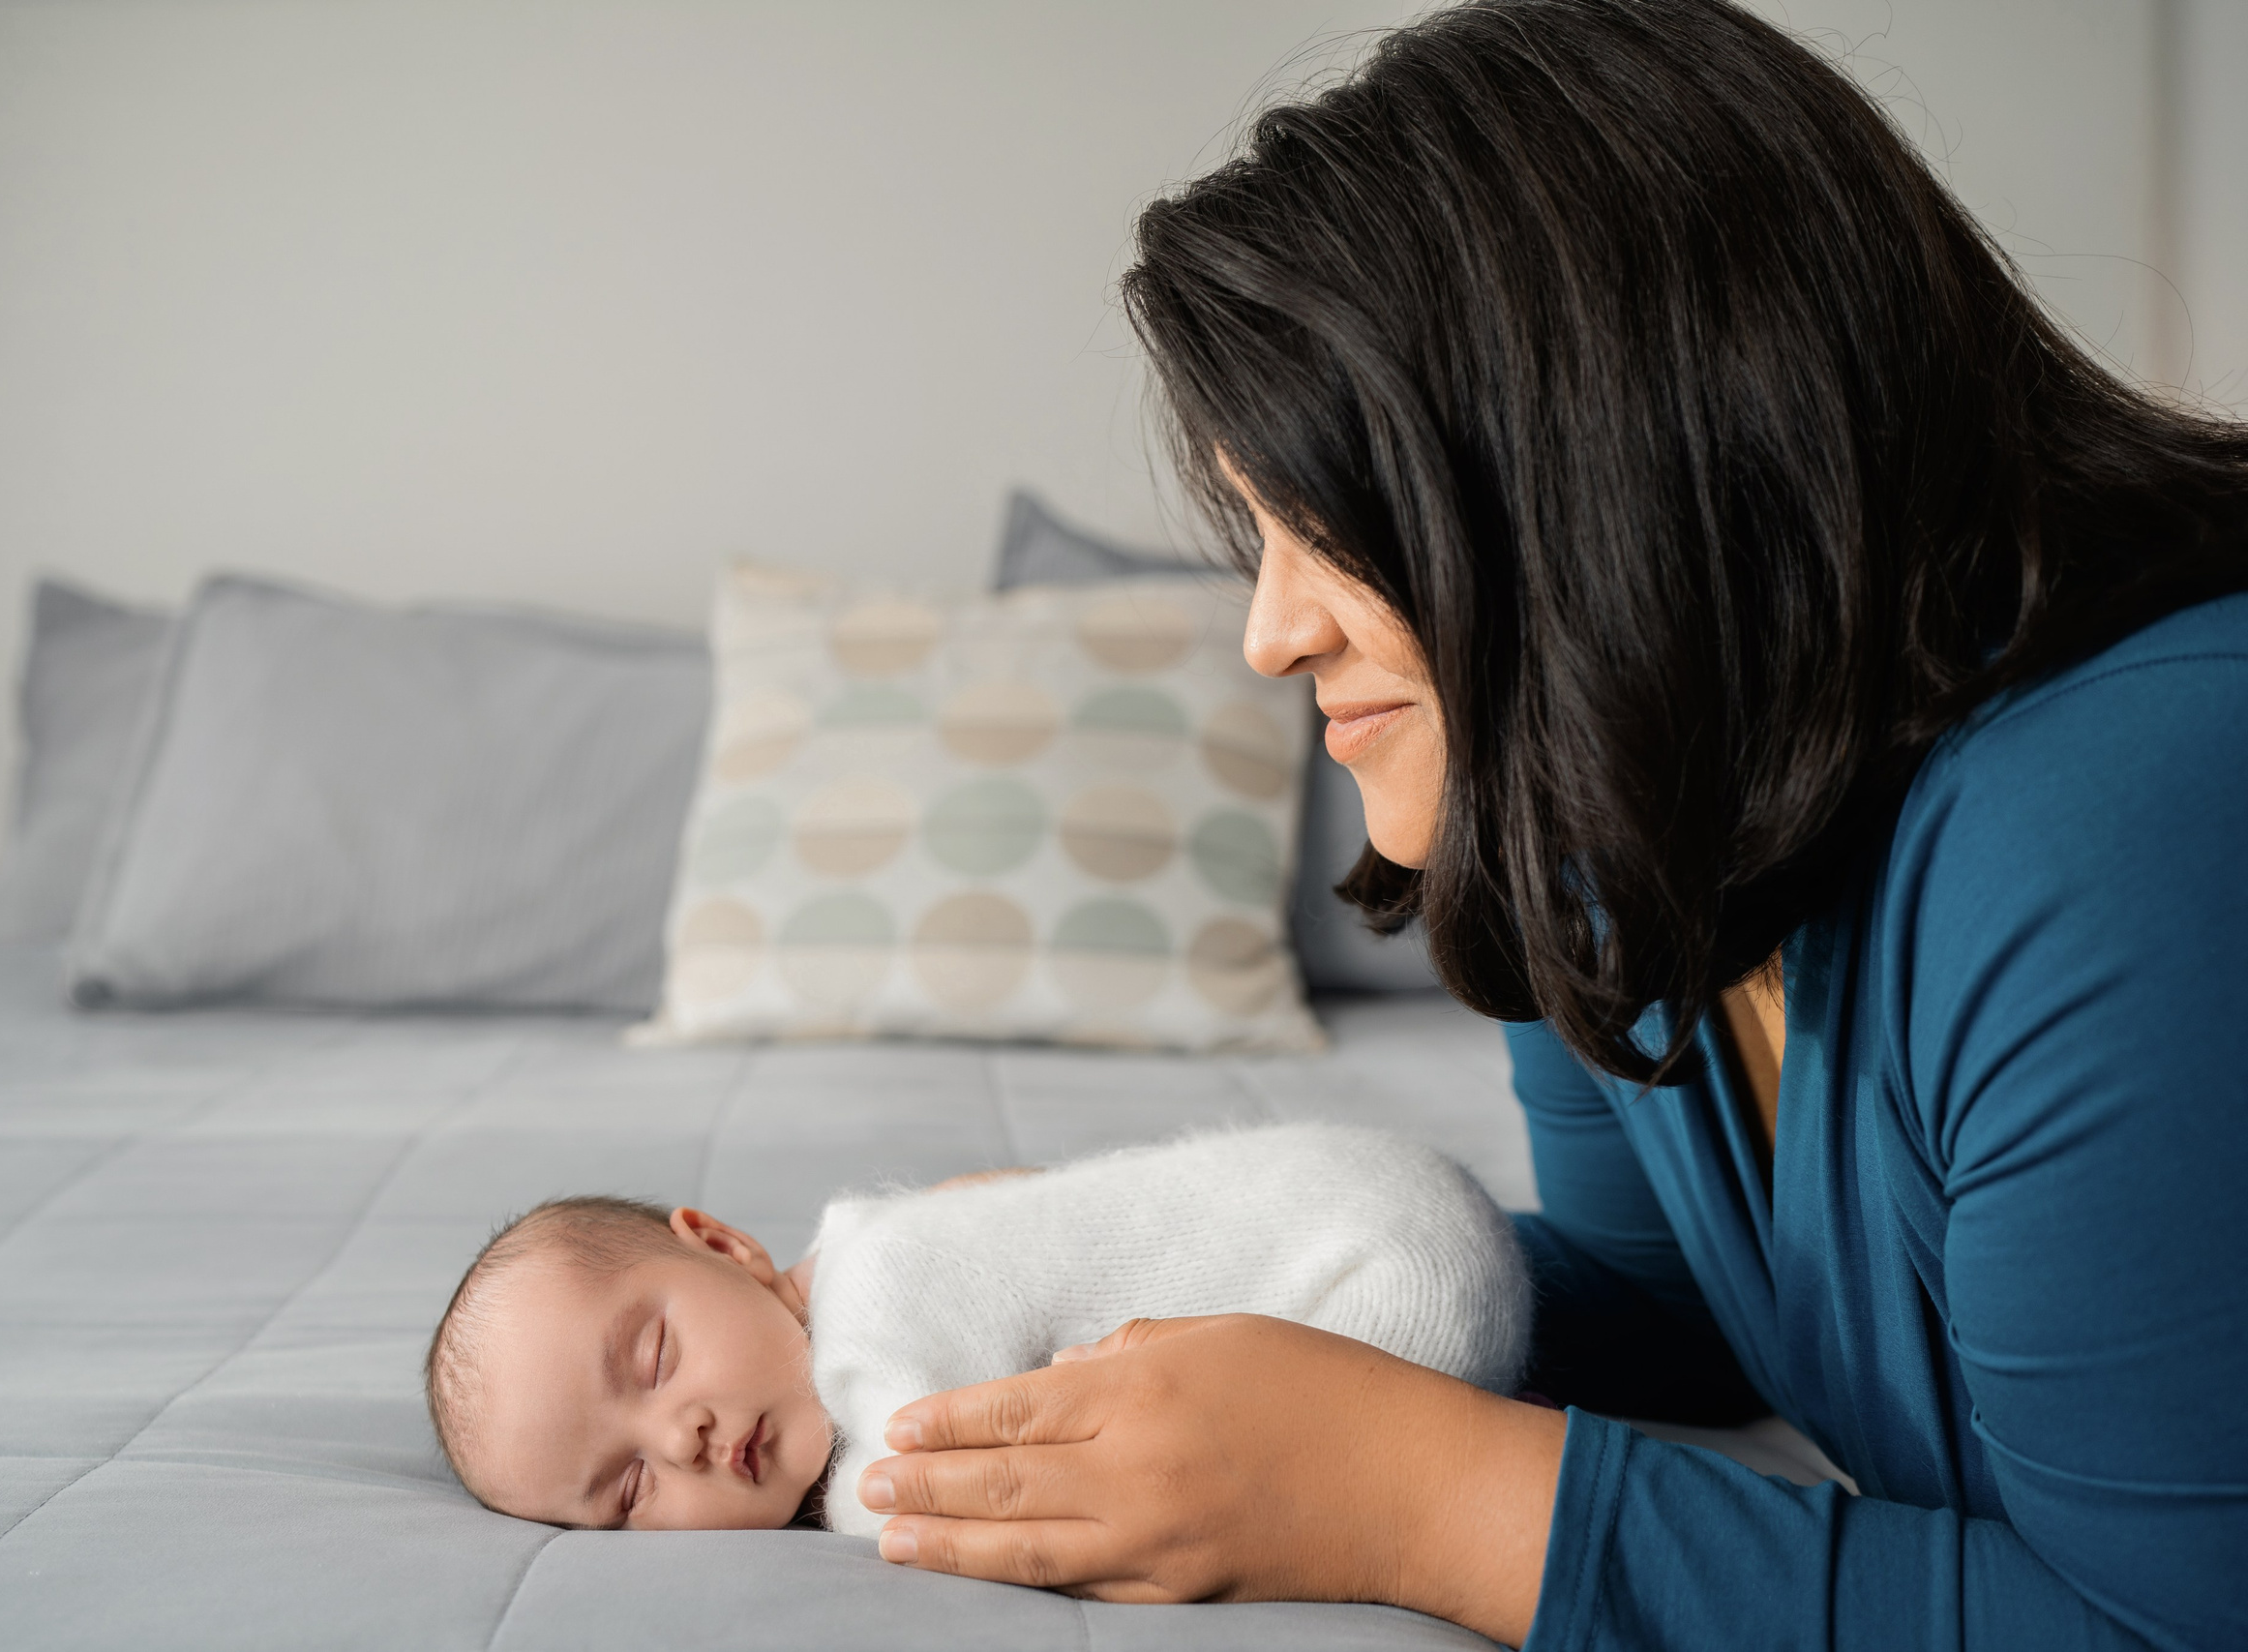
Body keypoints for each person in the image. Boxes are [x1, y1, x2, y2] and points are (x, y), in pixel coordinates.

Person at [848, 2, 2248, 1648]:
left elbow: (2165, 1627)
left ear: (1602, 458)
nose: (1269, 631)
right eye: (1256, 531)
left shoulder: (2127, 815)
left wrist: (1411, 1494)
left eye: (1328, 522)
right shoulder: (1611, 845)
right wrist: (1206, 1290)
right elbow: (1685, 1313)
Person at [420, 1123, 1531, 1533]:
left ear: (723, 1247)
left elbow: (916, 1481)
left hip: (1393, 1258)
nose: (681, 1438)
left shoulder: (880, 1282)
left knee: (1305, 1480)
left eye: (656, 1358)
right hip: (1377, 1227)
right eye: (626, 1495)